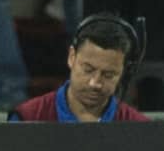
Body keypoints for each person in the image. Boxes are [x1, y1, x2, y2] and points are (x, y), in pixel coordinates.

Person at [9, 13, 150, 121]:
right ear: (71, 57)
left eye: (108, 75)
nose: (95, 83)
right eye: (88, 70)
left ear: (124, 72)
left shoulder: (138, 128)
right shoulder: (27, 118)